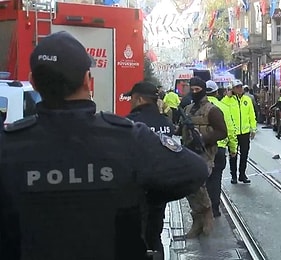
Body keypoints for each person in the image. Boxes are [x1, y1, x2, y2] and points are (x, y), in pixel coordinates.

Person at [0, 31, 208, 260]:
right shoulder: (128, 139)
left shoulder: (8, 146)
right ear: (89, 81)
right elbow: (195, 171)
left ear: (33, 82)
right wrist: (138, 193)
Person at [125, 81, 175, 259]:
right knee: (155, 235)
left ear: (138, 99)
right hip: (160, 188)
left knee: (135, 237)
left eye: (131, 98)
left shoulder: (130, 123)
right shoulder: (166, 123)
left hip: (136, 190)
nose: (130, 102)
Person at [180, 76, 227, 238]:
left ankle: (206, 215)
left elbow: (222, 132)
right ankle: (198, 219)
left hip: (205, 153)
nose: (194, 92)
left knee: (199, 185)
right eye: (192, 90)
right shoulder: (187, 110)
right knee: (189, 186)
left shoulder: (212, 110)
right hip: (188, 152)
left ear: (203, 90)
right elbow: (180, 130)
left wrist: (204, 139)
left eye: (197, 90)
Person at [205, 80, 238, 217]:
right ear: (217, 92)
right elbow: (229, 129)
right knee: (216, 178)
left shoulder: (198, 107)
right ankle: (215, 207)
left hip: (203, 148)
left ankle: (204, 208)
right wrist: (233, 148)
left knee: (204, 179)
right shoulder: (223, 107)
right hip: (220, 147)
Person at [221, 79, 257, 184]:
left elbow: (251, 114)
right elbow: (222, 107)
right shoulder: (227, 100)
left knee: (244, 154)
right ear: (232, 89)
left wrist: (253, 128)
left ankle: (242, 174)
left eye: (240, 86)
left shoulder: (247, 99)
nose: (239, 89)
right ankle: (234, 175)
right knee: (233, 154)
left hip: (245, 132)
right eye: (237, 87)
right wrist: (227, 96)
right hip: (234, 133)